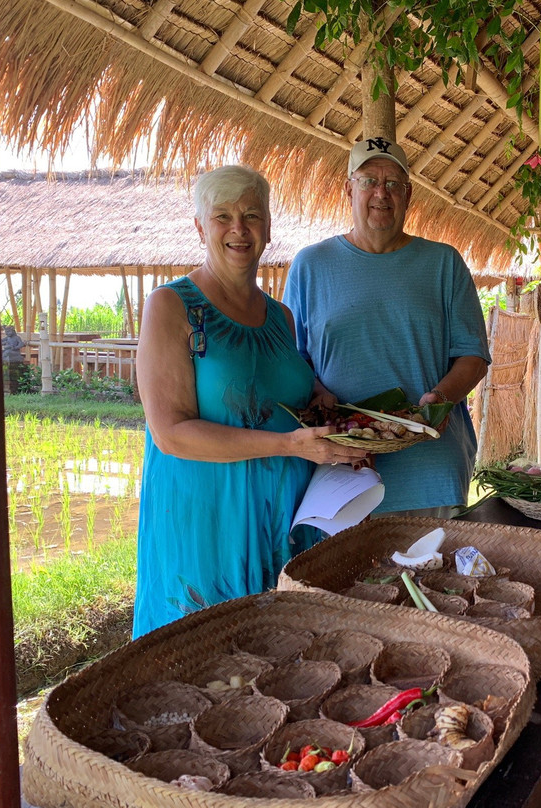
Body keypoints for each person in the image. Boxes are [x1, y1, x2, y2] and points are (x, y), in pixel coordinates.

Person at [133, 165, 367, 638]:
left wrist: (318, 397)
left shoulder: (282, 317)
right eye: (222, 216)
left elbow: (283, 393)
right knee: (203, 656)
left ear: (267, 227)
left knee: (278, 659)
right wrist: (291, 446)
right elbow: (171, 432)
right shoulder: (172, 307)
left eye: (251, 215)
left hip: (283, 517)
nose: (238, 229)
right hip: (208, 521)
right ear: (201, 227)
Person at [283, 137, 490, 517]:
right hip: (342, 468)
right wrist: (316, 390)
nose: (382, 193)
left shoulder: (443, 264)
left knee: (434, 575)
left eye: (393, 183)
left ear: (408, 194)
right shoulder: (310, 265)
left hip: (429, 471)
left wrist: (441, 399)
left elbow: (473, 355)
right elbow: (292, 358)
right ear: (349, 188)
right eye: (369, 181)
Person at [1, 325, 26, 394]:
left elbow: (21, 344)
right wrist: (4, 343)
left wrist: (15, 347)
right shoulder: (7, 338)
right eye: (6, 332)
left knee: (7, 353)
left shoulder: (17, 338)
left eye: (8, 331)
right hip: (8, 351)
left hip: (15, 352)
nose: (7, 333)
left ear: (13, 331)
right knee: (3, 352)